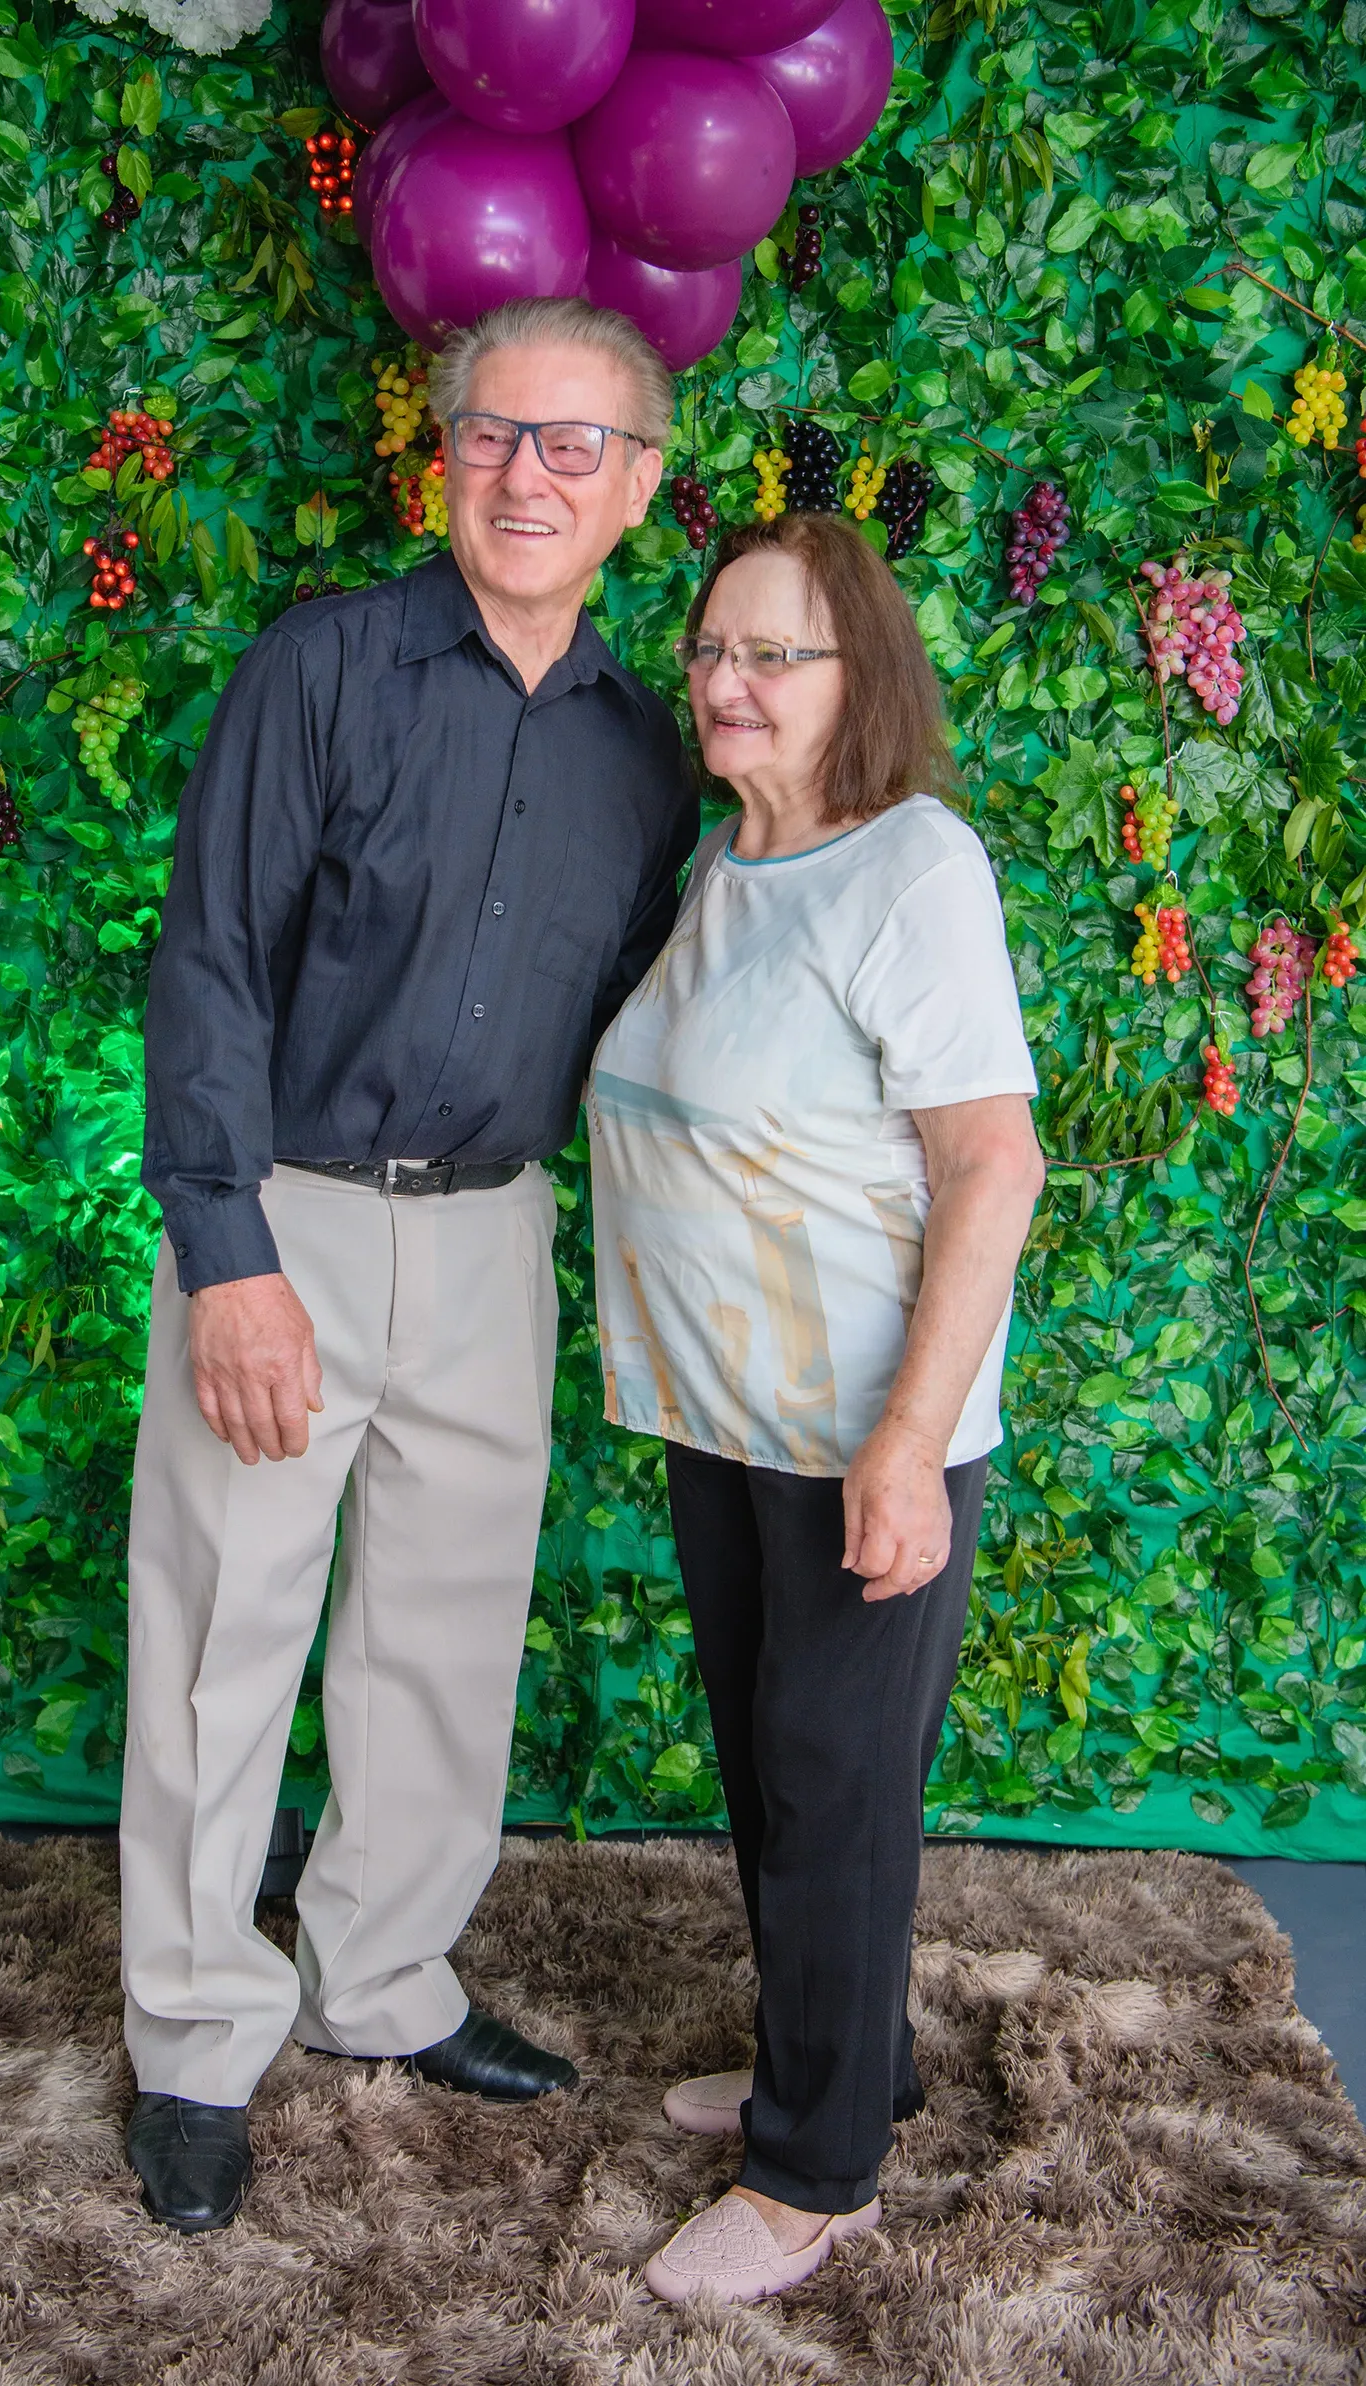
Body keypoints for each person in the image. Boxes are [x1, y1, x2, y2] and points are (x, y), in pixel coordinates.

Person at [122, 297, 699, 2233]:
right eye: (490, 432)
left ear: (639, 484)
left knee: (442, 1640)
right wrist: (227, 1253)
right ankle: (198, 2031)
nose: (523, 473)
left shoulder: (648, 753)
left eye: (570, 445)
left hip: (489, 1237)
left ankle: (381, 1977)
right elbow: (206, 957)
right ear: (438, 449)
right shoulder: (324, 667)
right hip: (284, 1209)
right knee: (225, 1636)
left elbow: (617, 1005)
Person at [587, 513, 1045, 2305]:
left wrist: (910, 1442)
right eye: (713, 647)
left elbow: (990, 1167)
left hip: (867, 1430)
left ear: (863, 677)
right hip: (732, 1421)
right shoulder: (731, 862)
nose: (725, 679)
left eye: (777, 654)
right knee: (784, 1786)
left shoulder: (912, 867)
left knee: (835, 1786)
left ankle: (816, 2171)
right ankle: (840, 2057)